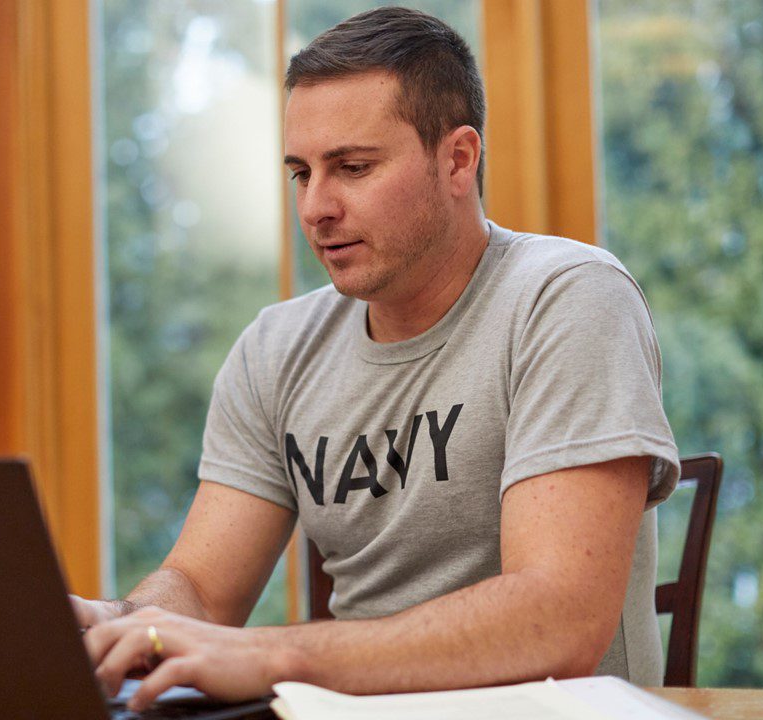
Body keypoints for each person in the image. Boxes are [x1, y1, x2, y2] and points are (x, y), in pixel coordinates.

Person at [73, 6, 680, 711]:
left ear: (458, 159)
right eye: (301, 173)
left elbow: (559, 621)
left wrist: (276, 656)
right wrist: (131, 626)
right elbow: (202, 588)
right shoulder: (276, 349)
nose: (316, 207)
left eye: (352, 168)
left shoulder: (568, 298)